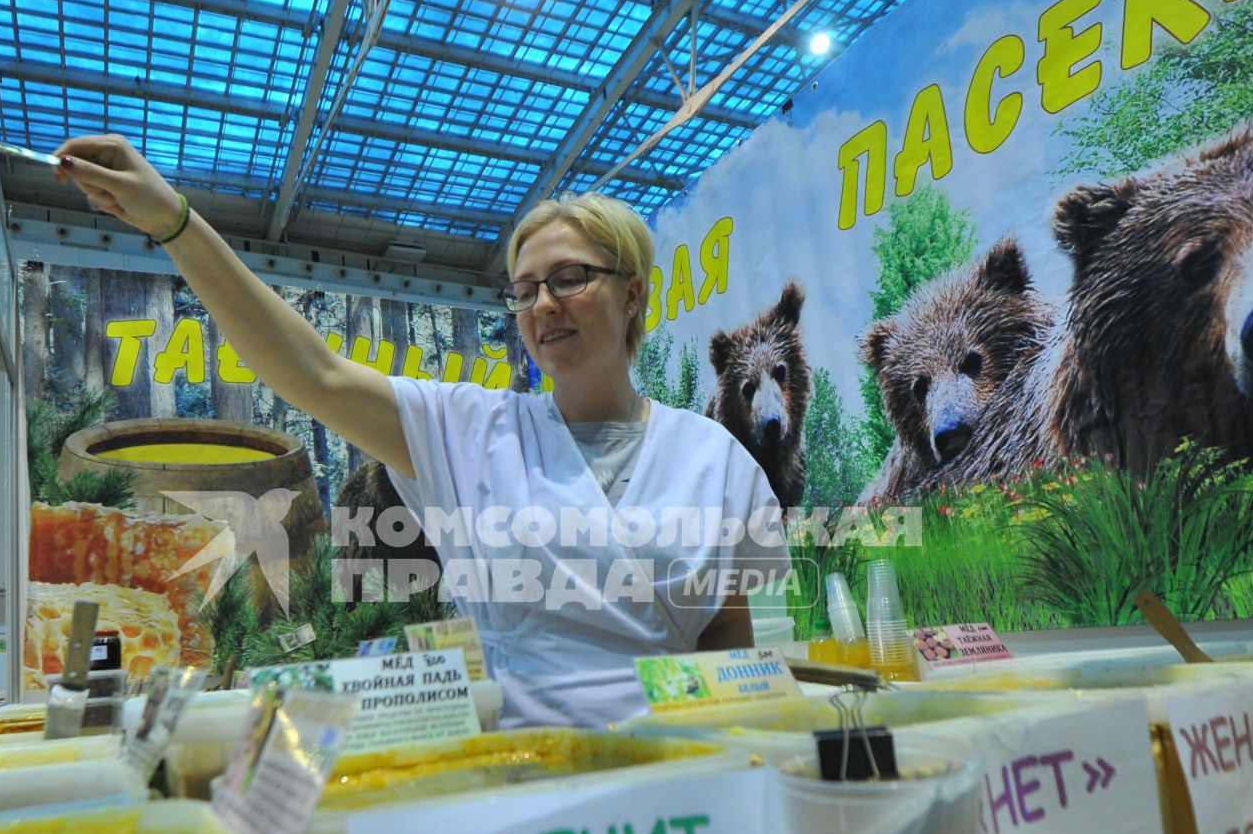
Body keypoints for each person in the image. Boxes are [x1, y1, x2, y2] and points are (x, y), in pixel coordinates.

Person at [55, 137, 787, 727]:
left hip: (679, 777)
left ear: (632, 294)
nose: (542, 306)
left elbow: (727, 635)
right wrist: (176, 223)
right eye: (525, 290)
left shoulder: (712, 457)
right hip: (515, 786)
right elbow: (313, 371)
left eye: (569, 278)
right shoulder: (472, 430)